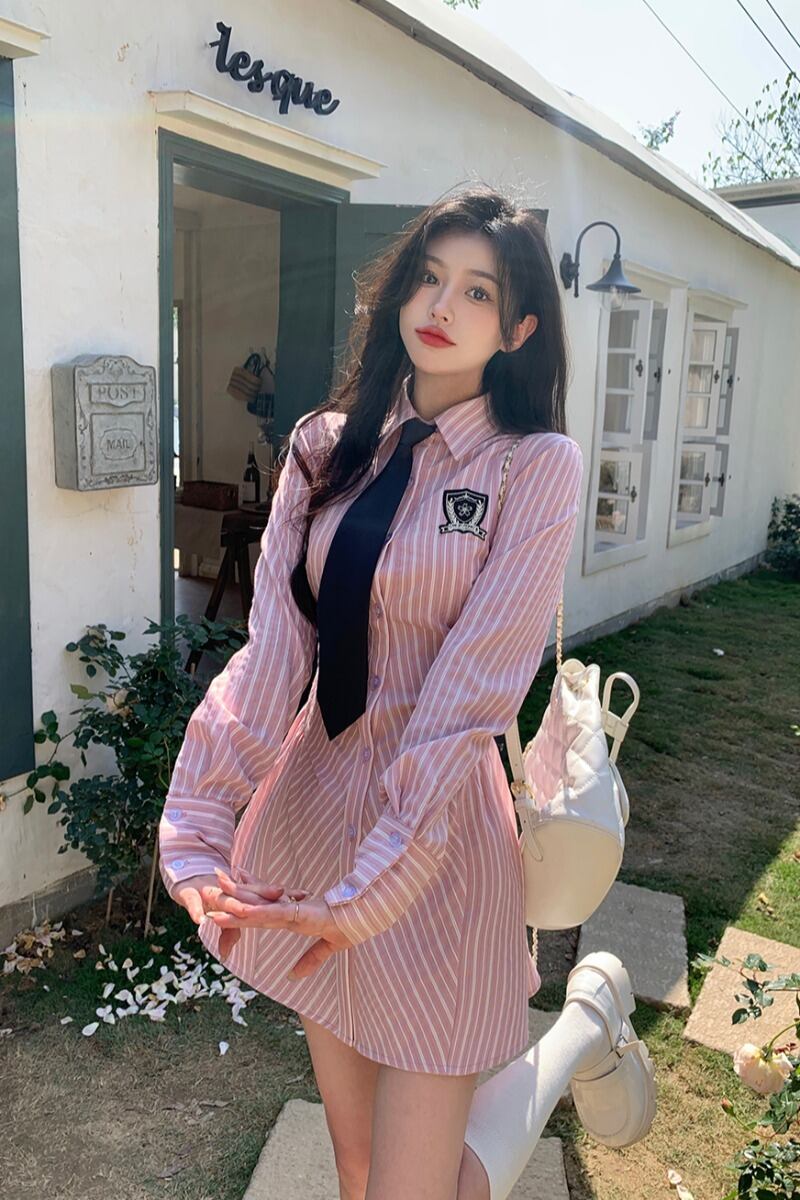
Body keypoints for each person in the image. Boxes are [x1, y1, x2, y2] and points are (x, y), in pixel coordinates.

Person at [158, 184, 656, 1200]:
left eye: (478, 291)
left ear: (518, 330)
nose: (440, 305)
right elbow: (274, 654)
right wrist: (199, 827)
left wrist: (376, 887)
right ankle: (578, 1025)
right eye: (429, 277)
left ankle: (578, 1026)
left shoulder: (533, 467)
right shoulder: (322, 446)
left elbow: (472, 690)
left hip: (435, 844)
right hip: (313, 820)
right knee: (355, 1165)